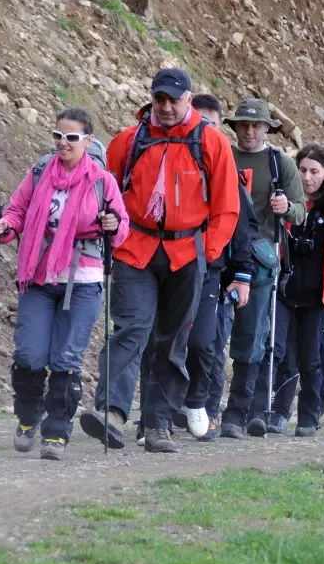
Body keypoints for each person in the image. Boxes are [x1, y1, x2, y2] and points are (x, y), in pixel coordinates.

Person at [79, 69, 240, 453]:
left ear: (188, 100)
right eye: (159, 99)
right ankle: (112, 412)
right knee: (131, 328)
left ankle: (158, 424)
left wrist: (208, 252)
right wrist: (110, 226)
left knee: (172, 340)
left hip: (187, 253)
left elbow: (227, 207)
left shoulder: (211, 143)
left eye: (173, 100)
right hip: (136, 247)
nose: (166, 107)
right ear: (151, 99)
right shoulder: (128, 141)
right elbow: (106, 191)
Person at [0, 108, 128, 460]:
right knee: (29, 354)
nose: (63, 143)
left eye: (71, 138)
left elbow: (122, 226)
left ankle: (57, 430)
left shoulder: (101, 181)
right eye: (58, 136)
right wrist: (5, 226)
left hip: (83, 280)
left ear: (88, 141)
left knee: (66, 356)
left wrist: (112, 225)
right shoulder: (39, 173)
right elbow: (17, 210)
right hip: (39, 277)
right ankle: (27, 417)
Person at [220, 98, 307, 439]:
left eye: (256, 125)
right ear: (235, 127)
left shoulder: (280, 163)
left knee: (253, 336)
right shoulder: (222, 156)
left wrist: (286, 206)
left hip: (260, 257)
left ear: (267, 127)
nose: (250, 130)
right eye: (244, 124)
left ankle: (245, 411)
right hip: (220, 252)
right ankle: (205, 408)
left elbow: (299, 210)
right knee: (210, 337)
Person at [171, 94, 254, 442]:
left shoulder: (226, 170)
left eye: (211, 123)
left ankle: (201, 404)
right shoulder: (171, 159)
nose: (204, 128)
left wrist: (242, 274)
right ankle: (161, 411)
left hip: (213, 269)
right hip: (172, 263)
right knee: (169, 338)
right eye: (199, 120)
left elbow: (243, 225)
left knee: (207, 342)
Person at [273, 144, 324, 435]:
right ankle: (280, 413)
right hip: (285, 290)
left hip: (317, 295)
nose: (307, 177)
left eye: (314, 172)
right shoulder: (286, 200)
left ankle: (309, 416)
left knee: (310, 358)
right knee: (284, 356)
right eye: (303, 170)